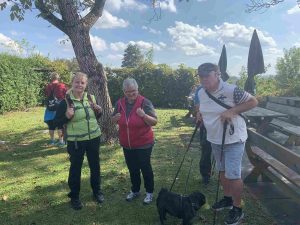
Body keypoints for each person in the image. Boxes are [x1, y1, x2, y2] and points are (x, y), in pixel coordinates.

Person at [196, 63, 258, 225]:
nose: (203, 80)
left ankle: (238, 208)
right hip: (215, 138)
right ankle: (228, 199)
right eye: (201, 77)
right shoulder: (201, 92)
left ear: (217, 74)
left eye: (207, 77)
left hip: (233, 139)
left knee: (233, 174)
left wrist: (232, 111)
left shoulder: (231, 90)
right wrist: (200, 114)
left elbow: (253, 101)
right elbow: (203, 107)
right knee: (222, 171)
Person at [54, 72, 104, 210]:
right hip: (76, 141)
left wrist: (99, 111)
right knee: (75, 169)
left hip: (93, 138)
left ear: (86, 84)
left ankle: (97, 192)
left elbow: (94, 117)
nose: (79, 85)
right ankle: (75, 197)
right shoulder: (65, 102)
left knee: (95, 166)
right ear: (72, 83)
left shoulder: (90, 97)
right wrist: (66, 116)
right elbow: (55, 123)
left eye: (82, 83)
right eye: (77, 82)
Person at [111, 78, 158, 205]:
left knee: (145, 167)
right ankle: (135, 190)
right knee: (132, 168)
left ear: (137, 89)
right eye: (127, 92)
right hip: (127, 144)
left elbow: (154, 121)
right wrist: (114, 118)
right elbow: (113, 120)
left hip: (144, 143)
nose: (131, 94)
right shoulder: (119, 103)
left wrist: (143, 115)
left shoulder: (145, 102)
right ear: (124, 91)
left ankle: (149, 192)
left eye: (133, 91)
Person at [194, 85, 212, 185]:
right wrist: (198, 113)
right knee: (206, 150)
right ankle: (206, 175)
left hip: (220, 125)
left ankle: (225, 176)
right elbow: (197, 105)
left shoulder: (225, 89)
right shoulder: (200, 90)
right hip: (205, 125)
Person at [44, 72, 67, 146]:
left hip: (50, 107)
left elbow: (46, 95)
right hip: (59, 107)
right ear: (58, 78)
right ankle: (61, 141)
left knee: (51, 125)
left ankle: (52, 141)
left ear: (51, 78)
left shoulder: (48, 86)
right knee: (60, 125)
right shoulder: (62, 86)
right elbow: (65, 95)